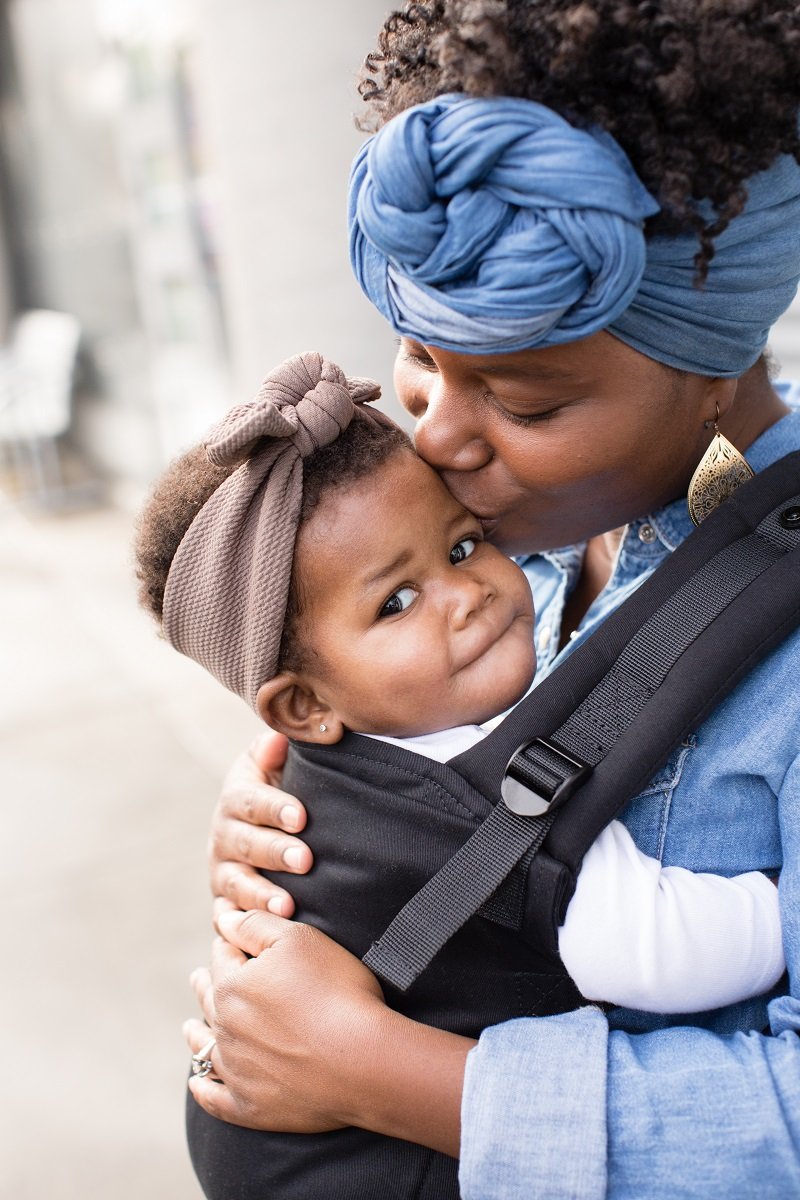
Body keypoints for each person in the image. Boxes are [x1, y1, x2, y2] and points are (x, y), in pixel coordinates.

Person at [184, 3, 800, 1197]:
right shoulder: (495, 538)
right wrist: (311, 835)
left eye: (524, 404)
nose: (437, 437)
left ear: (713, 367)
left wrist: (378, 1073)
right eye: (419, 356)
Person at [137, 350, 784, 1199]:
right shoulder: (476, 798)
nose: (467, 592)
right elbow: (660, 947)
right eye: (397, 602)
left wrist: (366, 1061)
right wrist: (777, 915)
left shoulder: (385, 725)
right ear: (301, 708)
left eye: (464, 545)